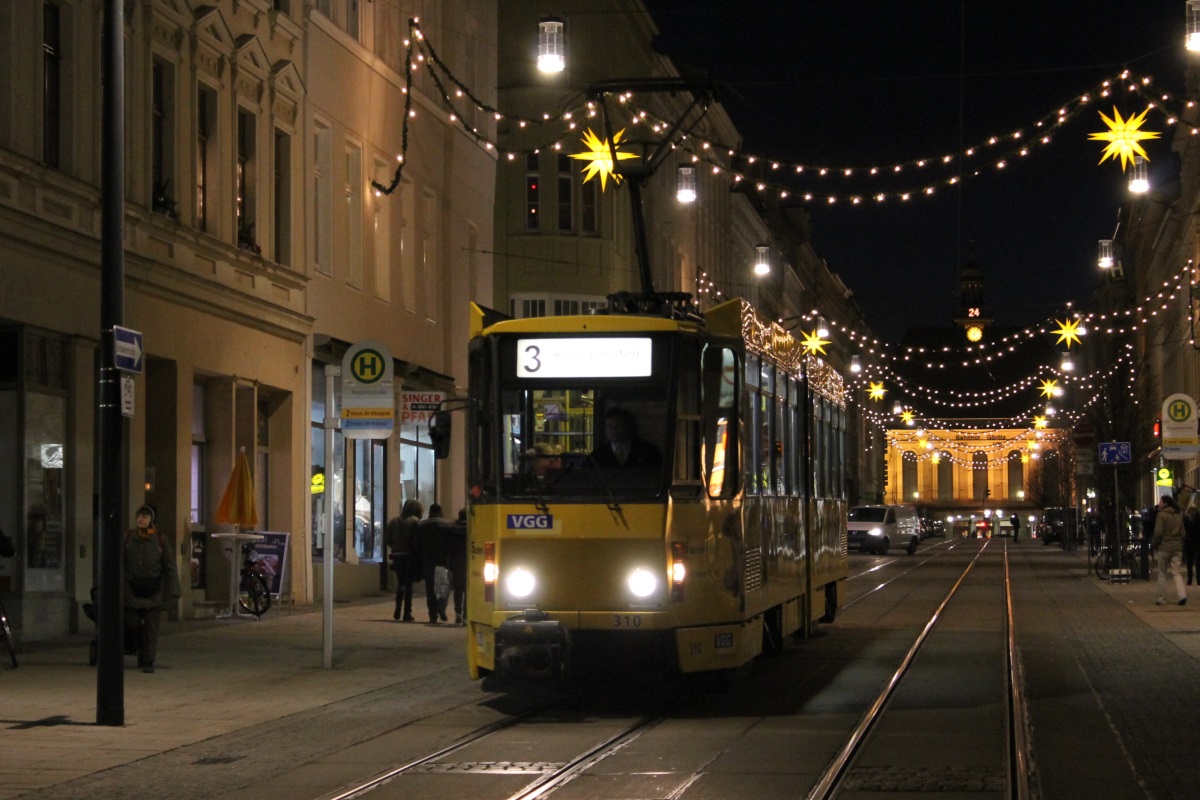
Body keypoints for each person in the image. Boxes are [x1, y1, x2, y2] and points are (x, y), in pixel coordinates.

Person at [123, 504, 181, 673]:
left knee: (151, 627)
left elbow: (170, 566)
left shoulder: (160, 539)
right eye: (139, 516)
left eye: (145, 517)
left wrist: (174, 589)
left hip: (154, 591)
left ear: (151, 520)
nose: (141, 519)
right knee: (132, 623)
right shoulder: (128, 538)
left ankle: (148, 660)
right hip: (131, 590)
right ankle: (141, 648)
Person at [385, 499, 423, 621]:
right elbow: (418, 540)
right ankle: (407, 613)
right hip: (410, 556)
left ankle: (397, 609)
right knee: (409, 584)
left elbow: (386, 539)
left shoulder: (393, 521)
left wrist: (395, 547)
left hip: (397, 556)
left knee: (401, 582)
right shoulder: (416, 522)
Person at [416, 504, 454, 623]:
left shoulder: (421, 525)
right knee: (444, 584)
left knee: (430, 586)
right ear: (440, 512)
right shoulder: (447, 525)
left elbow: (416, 543)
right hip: (443, 560)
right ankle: (441, 605)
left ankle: (432, 614)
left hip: (427, 559)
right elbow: (451, 543)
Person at [589, 407, 661, 468]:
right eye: (610, 426)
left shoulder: (648, 452)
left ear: (627, 426)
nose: (614, 430)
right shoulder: (596, 457)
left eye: (619, 425)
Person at [1151, 494, 1187, 606]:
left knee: (1162, 573)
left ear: (1165, 503)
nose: (1159, 504)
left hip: (1164, 547)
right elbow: (1183, 533)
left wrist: (1154, 544)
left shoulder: (1161, 515)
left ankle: (1161, 598)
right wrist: (1180, 543)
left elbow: (1158, 533)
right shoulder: (1178, 515)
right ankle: (1182, 596)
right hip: (1177, 548)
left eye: (1161, 502)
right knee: (1176, 572)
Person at [446, 509, 468, 625]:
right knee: (468, 590)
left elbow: (448, 546)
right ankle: (466, 616)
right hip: (469, 562)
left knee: (458, 590)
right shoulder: (472, 528)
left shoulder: (452, 529)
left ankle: (458, 613)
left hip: (455, 562)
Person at [1183, 493, 1200, 586]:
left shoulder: (1186, 520)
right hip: (1197, 543)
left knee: (1189, 563)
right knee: (1198, 563)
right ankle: (1198, 579)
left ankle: (1190, 579)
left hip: (1189, 542)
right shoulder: (1198, 519)